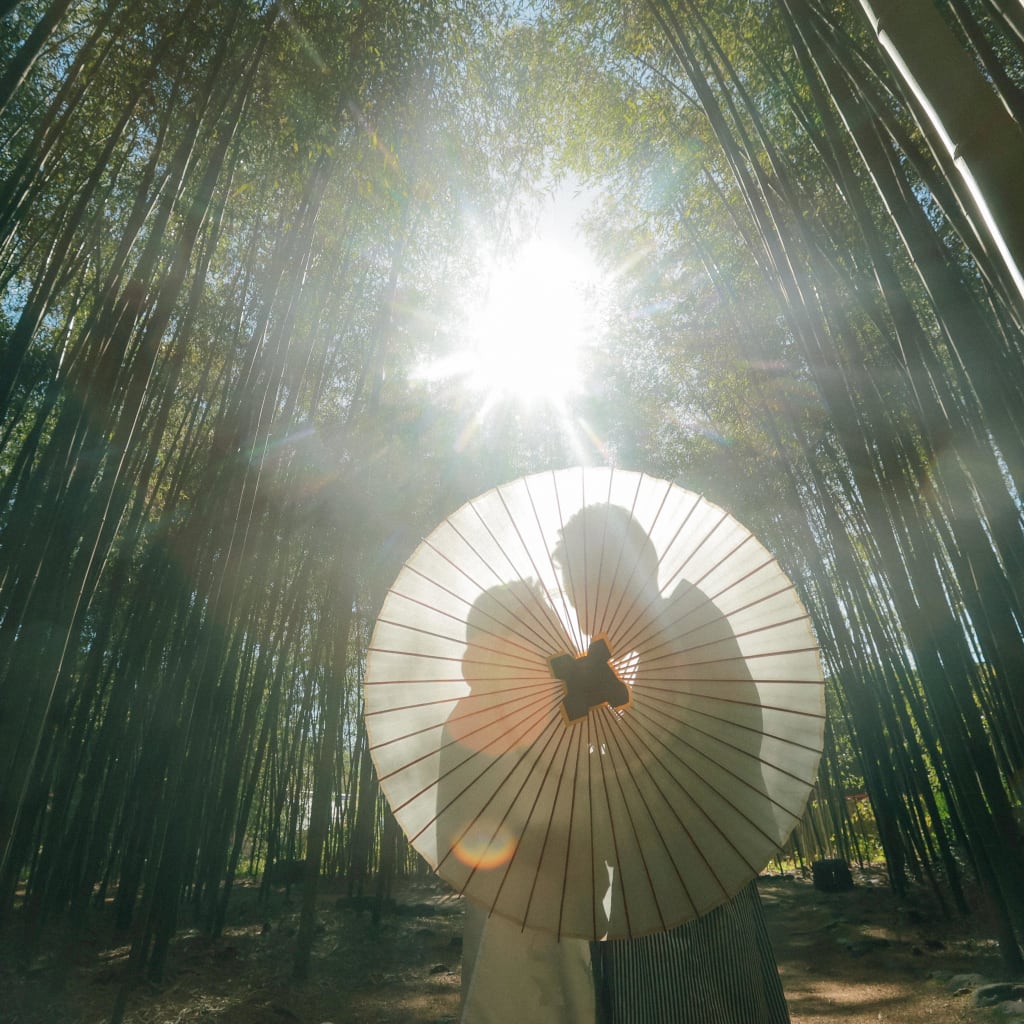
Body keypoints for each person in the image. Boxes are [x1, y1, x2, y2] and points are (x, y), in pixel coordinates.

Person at [552, 503, 791, 1024]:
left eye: (578, 586)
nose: (577, 607)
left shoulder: (683, 625)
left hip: (691, 870)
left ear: (613, 573)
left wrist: (611, 716)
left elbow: (711, 744)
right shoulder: (636, 652)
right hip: (661, 873)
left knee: (699, 1000)